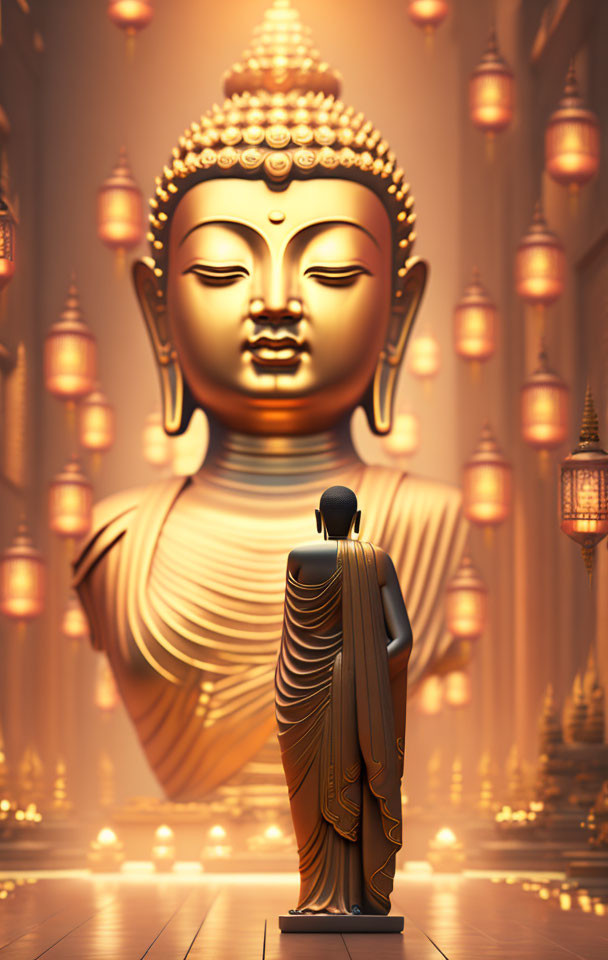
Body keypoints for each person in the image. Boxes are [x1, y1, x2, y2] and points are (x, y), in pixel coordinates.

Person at [74, 0, 466, 807]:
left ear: (398, 311)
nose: (278, 302)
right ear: (158, 312)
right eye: (224, 273)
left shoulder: (438, 529)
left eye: (329, 272)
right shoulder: (118, 545)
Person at [276, 486, 411, 915]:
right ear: (358, 519)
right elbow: (402, 641)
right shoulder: (375, 560)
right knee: (347, 788)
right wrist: (362, 679)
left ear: (319, 518)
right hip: (351, 697)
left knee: (316, 799)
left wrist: (352, 678)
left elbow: (293, 641)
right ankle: (344, 897)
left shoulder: (298, 558)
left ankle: (325, 896)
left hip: (295, 693)